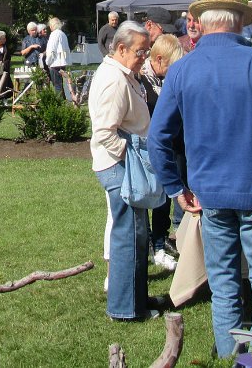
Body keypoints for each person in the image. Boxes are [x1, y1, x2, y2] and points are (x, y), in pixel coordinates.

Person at [147, 0, 252, 357]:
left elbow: (158, 139)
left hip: (210, 195)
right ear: (238, 22)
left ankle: (234, 362)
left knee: (223, 288)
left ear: (202, 24)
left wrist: (176, 188)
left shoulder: (182, 68)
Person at [88, 21, 156, 321]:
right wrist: (130, 158)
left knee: (137, 234)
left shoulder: (123, 74)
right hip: (119, 167)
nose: (144, 57)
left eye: (147, 51)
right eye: (140, 52)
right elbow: (104, 131)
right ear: (121, 48)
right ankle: (125, 309)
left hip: (123, 165)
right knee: (128, 236)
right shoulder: (114, 79)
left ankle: (137, 301)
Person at [139, 34, 185, 272]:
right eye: (170, 65)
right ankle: (150, 243)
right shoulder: (140, 81)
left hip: (172, 147)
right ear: (158, 59)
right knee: (151, 197)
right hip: (150, 148)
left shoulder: (166, 79)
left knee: (165, 197)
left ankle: (160, 240)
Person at [44, 17, 70, 96]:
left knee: (57, 86)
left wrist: (48, 62)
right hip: (62, 62)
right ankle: (63, 100)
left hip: (55, 63)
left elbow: (51, 50)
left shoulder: (54, 34)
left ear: (52, 26)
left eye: (50, 25)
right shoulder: (62, 34)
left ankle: (59, 102)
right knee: (60, 85)